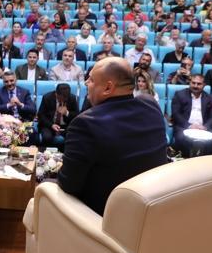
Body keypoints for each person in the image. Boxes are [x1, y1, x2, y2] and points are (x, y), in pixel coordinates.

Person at [57, 57, 167, 215]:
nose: (87, 83)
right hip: (150, 213)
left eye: (91, 80)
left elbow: (68, 184)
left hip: (101, 221)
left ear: (108, 88)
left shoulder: (84, 124)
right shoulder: (151, 105)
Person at [171, 74, 212, 157]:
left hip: (204, 128)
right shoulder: (179, 95)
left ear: (204, 85)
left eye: (199, 84)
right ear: (189, 83)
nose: (195, 86)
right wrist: (189, 126)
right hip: (185, 126)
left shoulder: (209, 98)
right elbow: (176, 114)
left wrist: (205, 127)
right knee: (182, 139)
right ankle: (187, 163)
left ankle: (206, 163)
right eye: (193, 83)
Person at [37, 83, 80, 148]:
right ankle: (46, 155)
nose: (63, 100)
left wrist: (67, 113)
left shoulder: (72, 98)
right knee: (47, 137)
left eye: (65, 99)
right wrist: (51, 125)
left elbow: (77, 116)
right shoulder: (47, 97)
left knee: (73, 137)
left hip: (65, 126)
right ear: (56, 94)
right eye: (61, 99)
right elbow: (41, 115)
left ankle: (66, 156)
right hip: (49, 125)